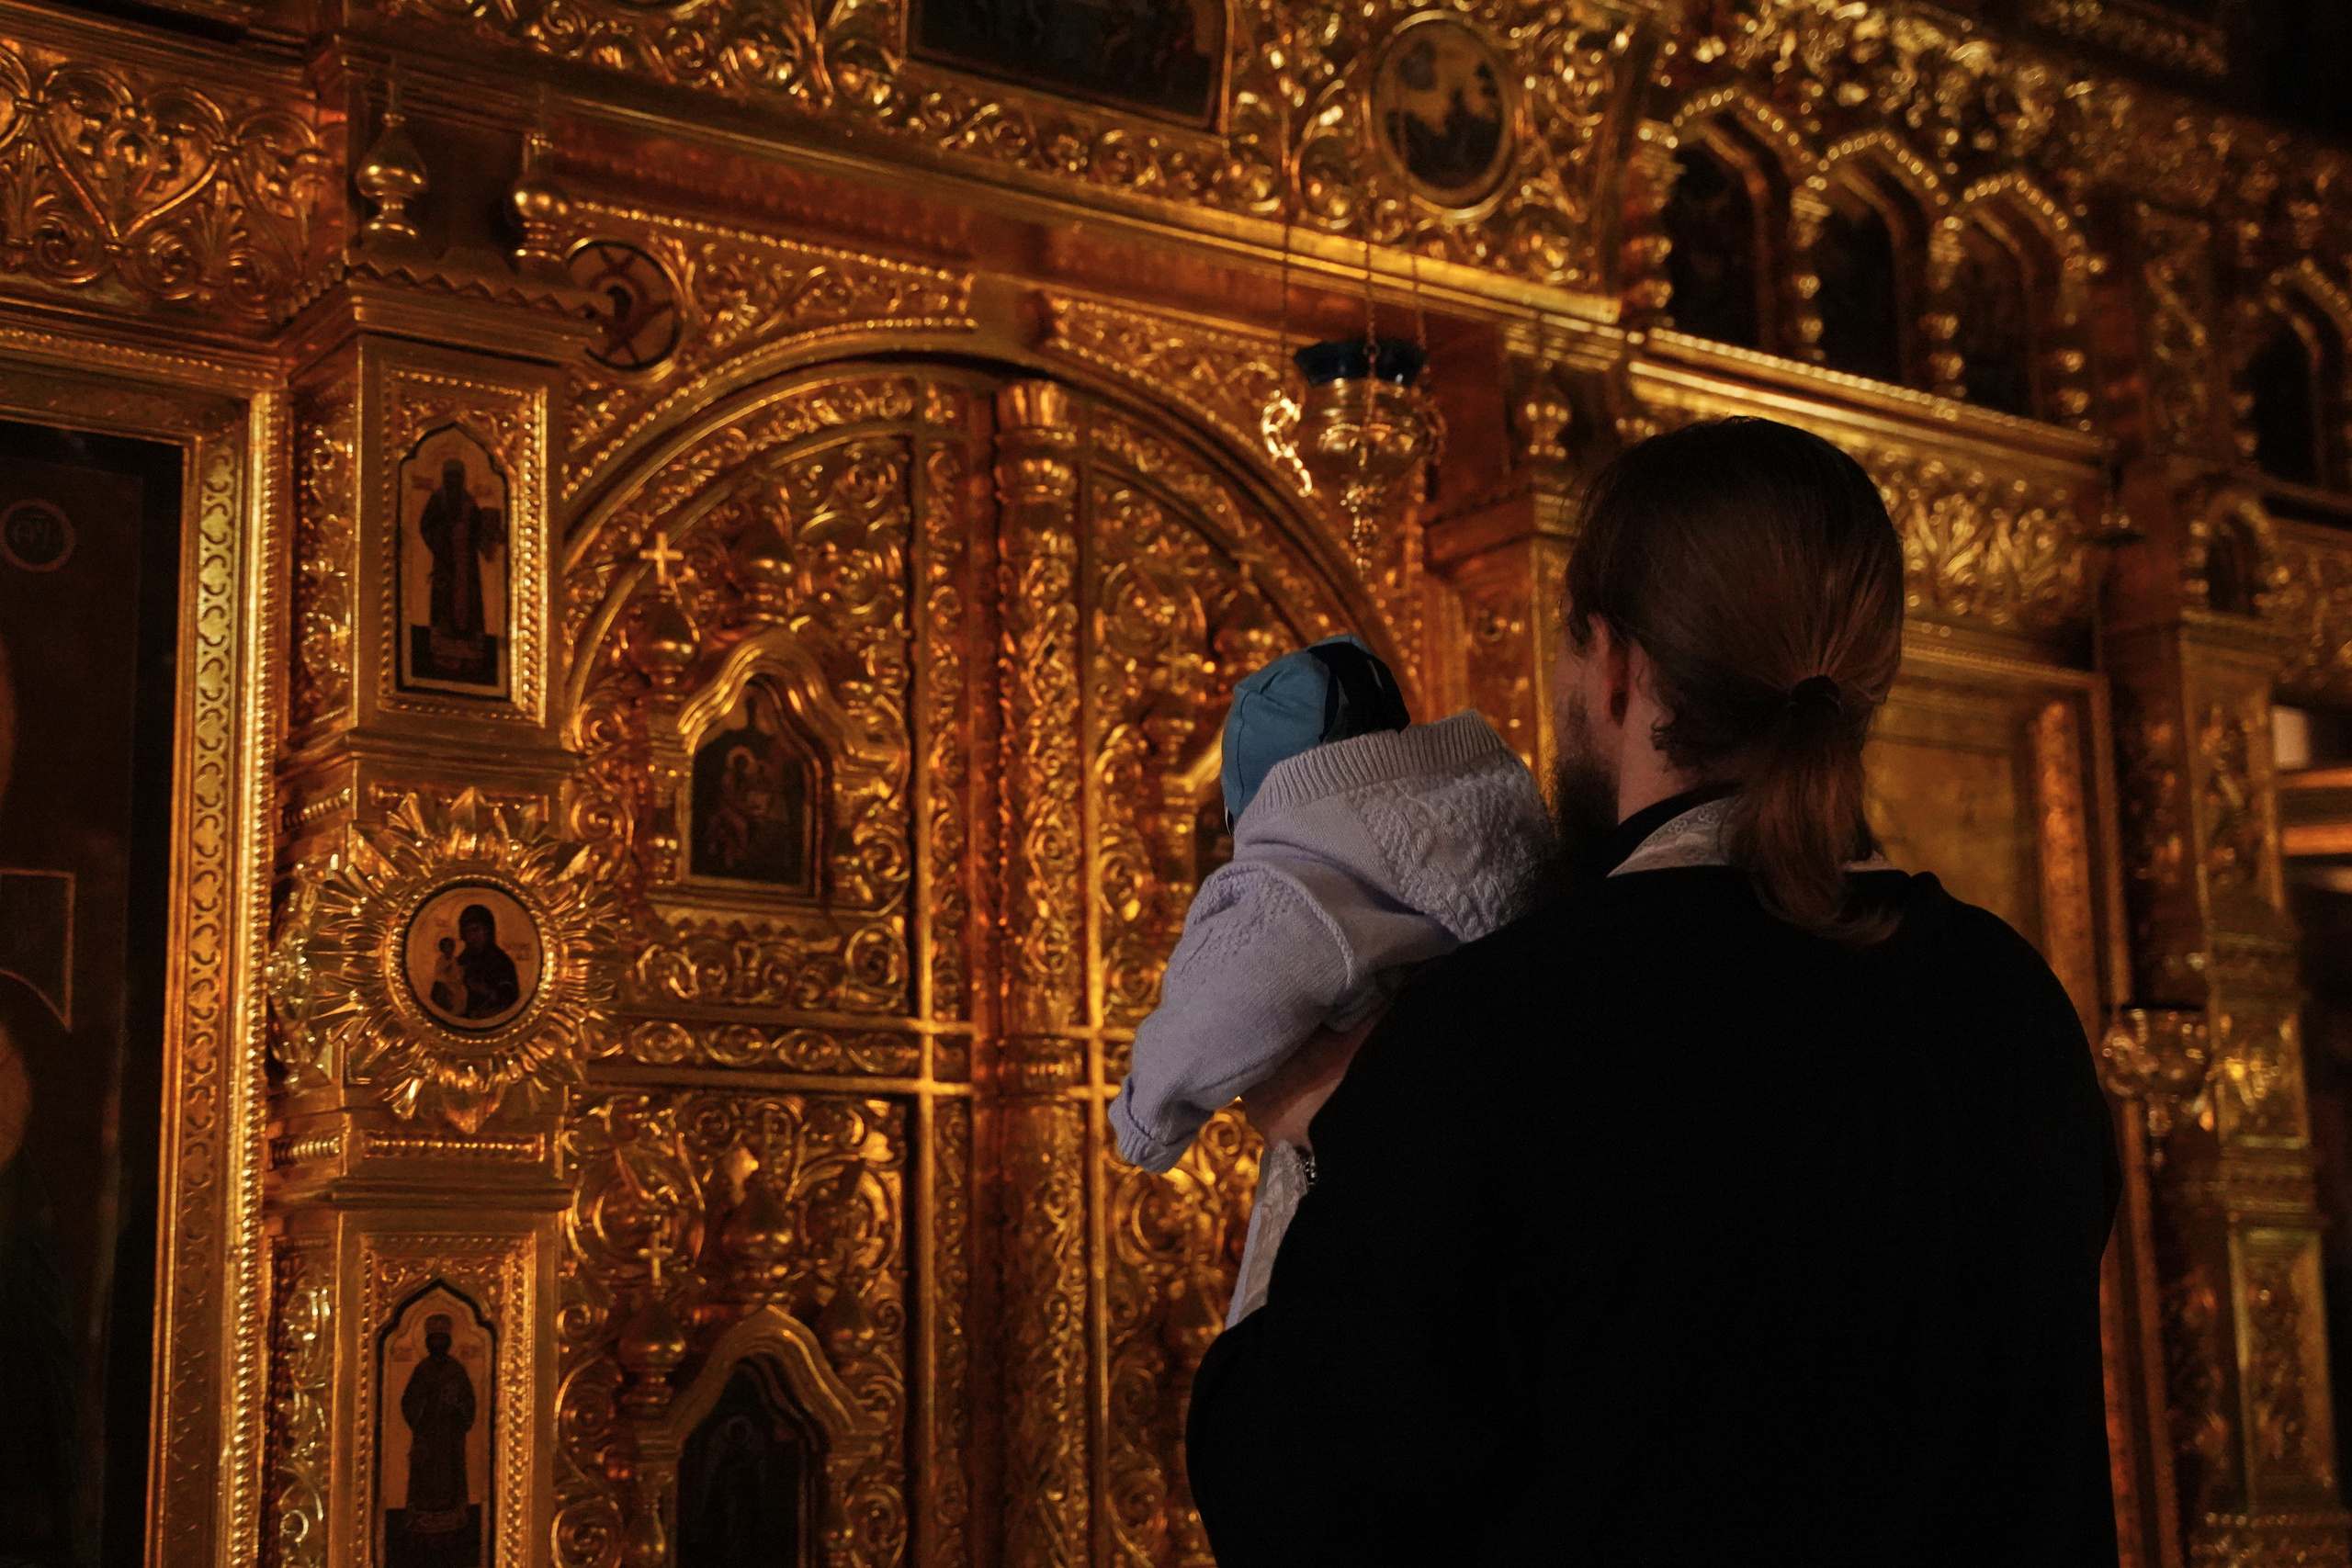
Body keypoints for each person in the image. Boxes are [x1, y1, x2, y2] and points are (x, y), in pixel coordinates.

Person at [1185, 418, 2121, 1566]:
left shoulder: (1504, 1026)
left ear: (1618, 666)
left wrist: (1329, 1145)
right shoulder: (2015, 1008)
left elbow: (1296, 1502)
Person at [1111, 635, 1549, 1325]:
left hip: (1354, 1187)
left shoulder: (1297, 879)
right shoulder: (1486, 825)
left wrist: (1147, 1114)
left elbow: (1220, 1006)